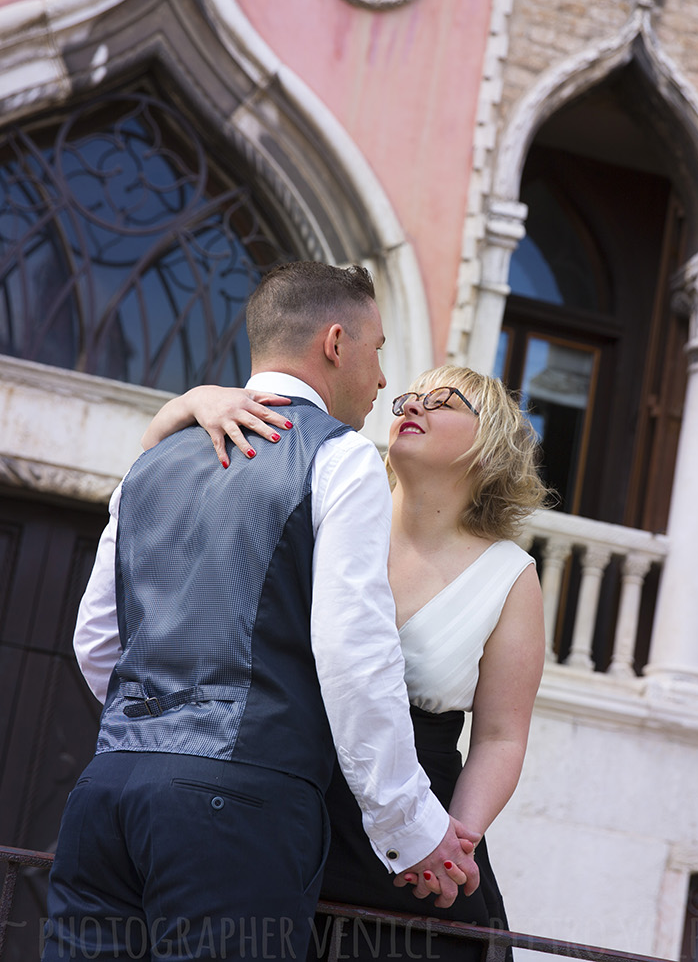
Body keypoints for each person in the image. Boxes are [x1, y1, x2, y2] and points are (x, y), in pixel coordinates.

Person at [50, 262, 478, 962]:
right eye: (376, 350)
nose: (379, 380)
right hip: (238, 804)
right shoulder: (341, 458)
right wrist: (409, 824)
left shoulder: (150, 462)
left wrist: (154, 730)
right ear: (335, 342)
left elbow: (95, 641)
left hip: (108, 788)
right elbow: (353, 652)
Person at [142, 364, 548, 960]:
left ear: (491, 445)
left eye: (445, 401)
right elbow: (160, 478)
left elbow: (501, 737)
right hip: (283, 799)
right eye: (411, 396)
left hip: (414, 837)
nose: (413, 405)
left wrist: (452, 839)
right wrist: (197, 399)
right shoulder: (334, 503)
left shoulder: (511, 575)